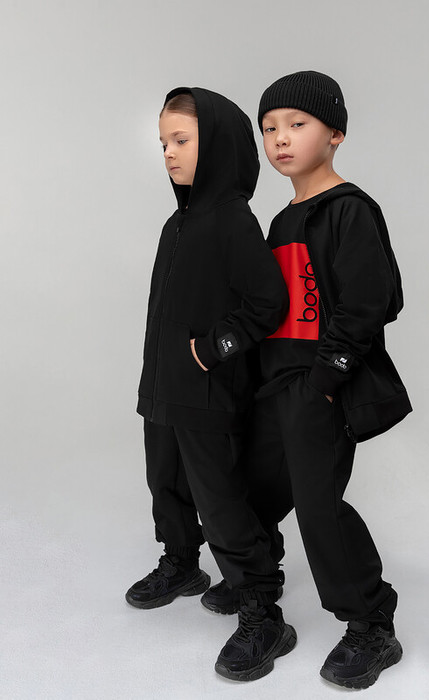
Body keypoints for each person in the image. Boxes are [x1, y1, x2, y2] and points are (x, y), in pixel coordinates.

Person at [202, 71, 412, 689]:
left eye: (297, 124)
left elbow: (372, 301)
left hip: (317, 386)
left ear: (335, 134)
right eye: (269, 128)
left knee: (318, 508)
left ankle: (371, 624)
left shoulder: (349, 210)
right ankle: (256, 591)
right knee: (249, 492)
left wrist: (327, 377)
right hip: (271, 383)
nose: (281, 139)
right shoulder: (280, 221)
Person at [127, 86, 296, 678]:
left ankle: (262, 613)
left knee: (220, 502)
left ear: (217, 144)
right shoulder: (177, 224)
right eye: (163, 143)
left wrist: (213, 349)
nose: (169, 153)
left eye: (181, 140)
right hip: (163, 389)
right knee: (165, 482)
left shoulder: (231, 220)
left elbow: (268, 302)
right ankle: (181, 563)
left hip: (206, 391)